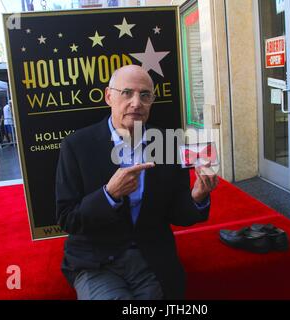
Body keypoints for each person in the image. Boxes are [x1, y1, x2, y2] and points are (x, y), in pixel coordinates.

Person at [55, 64, 219, 300]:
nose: (136, 102)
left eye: (145, 95)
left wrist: (197, 196)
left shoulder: (167, 143)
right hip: (97, 261)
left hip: (150, 256)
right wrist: (109, 195)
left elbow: (178, 214)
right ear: (108, 96)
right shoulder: (77, 146)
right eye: (127, 93)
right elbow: (67, 218)